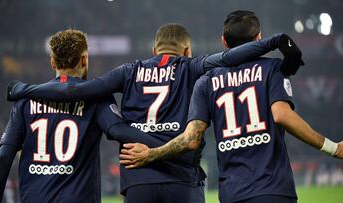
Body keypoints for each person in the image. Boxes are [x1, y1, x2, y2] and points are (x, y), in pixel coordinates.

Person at [6, 23, 303, 203]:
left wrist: (24, 90)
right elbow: (228, 58)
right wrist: (273, 42)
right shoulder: (191, 66)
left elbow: (75, 89)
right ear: (186, 51)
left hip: (138, 179)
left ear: (154, 49)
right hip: (183, 178)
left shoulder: (129, 71)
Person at [118, 11, 343, 203]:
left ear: (224, 42)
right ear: (259, 38)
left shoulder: (205, 81)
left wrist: (152, 153)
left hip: (232, 193)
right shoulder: (272, 69)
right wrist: (332, 148)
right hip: (273, 188)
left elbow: (191, 139)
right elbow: (282, 115)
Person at [0, 28, 170, 203]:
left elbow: (4, 158)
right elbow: (119, 131)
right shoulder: (97, 98)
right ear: (84, 59)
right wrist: (169, 148)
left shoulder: (25, 101)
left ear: (53, 62)